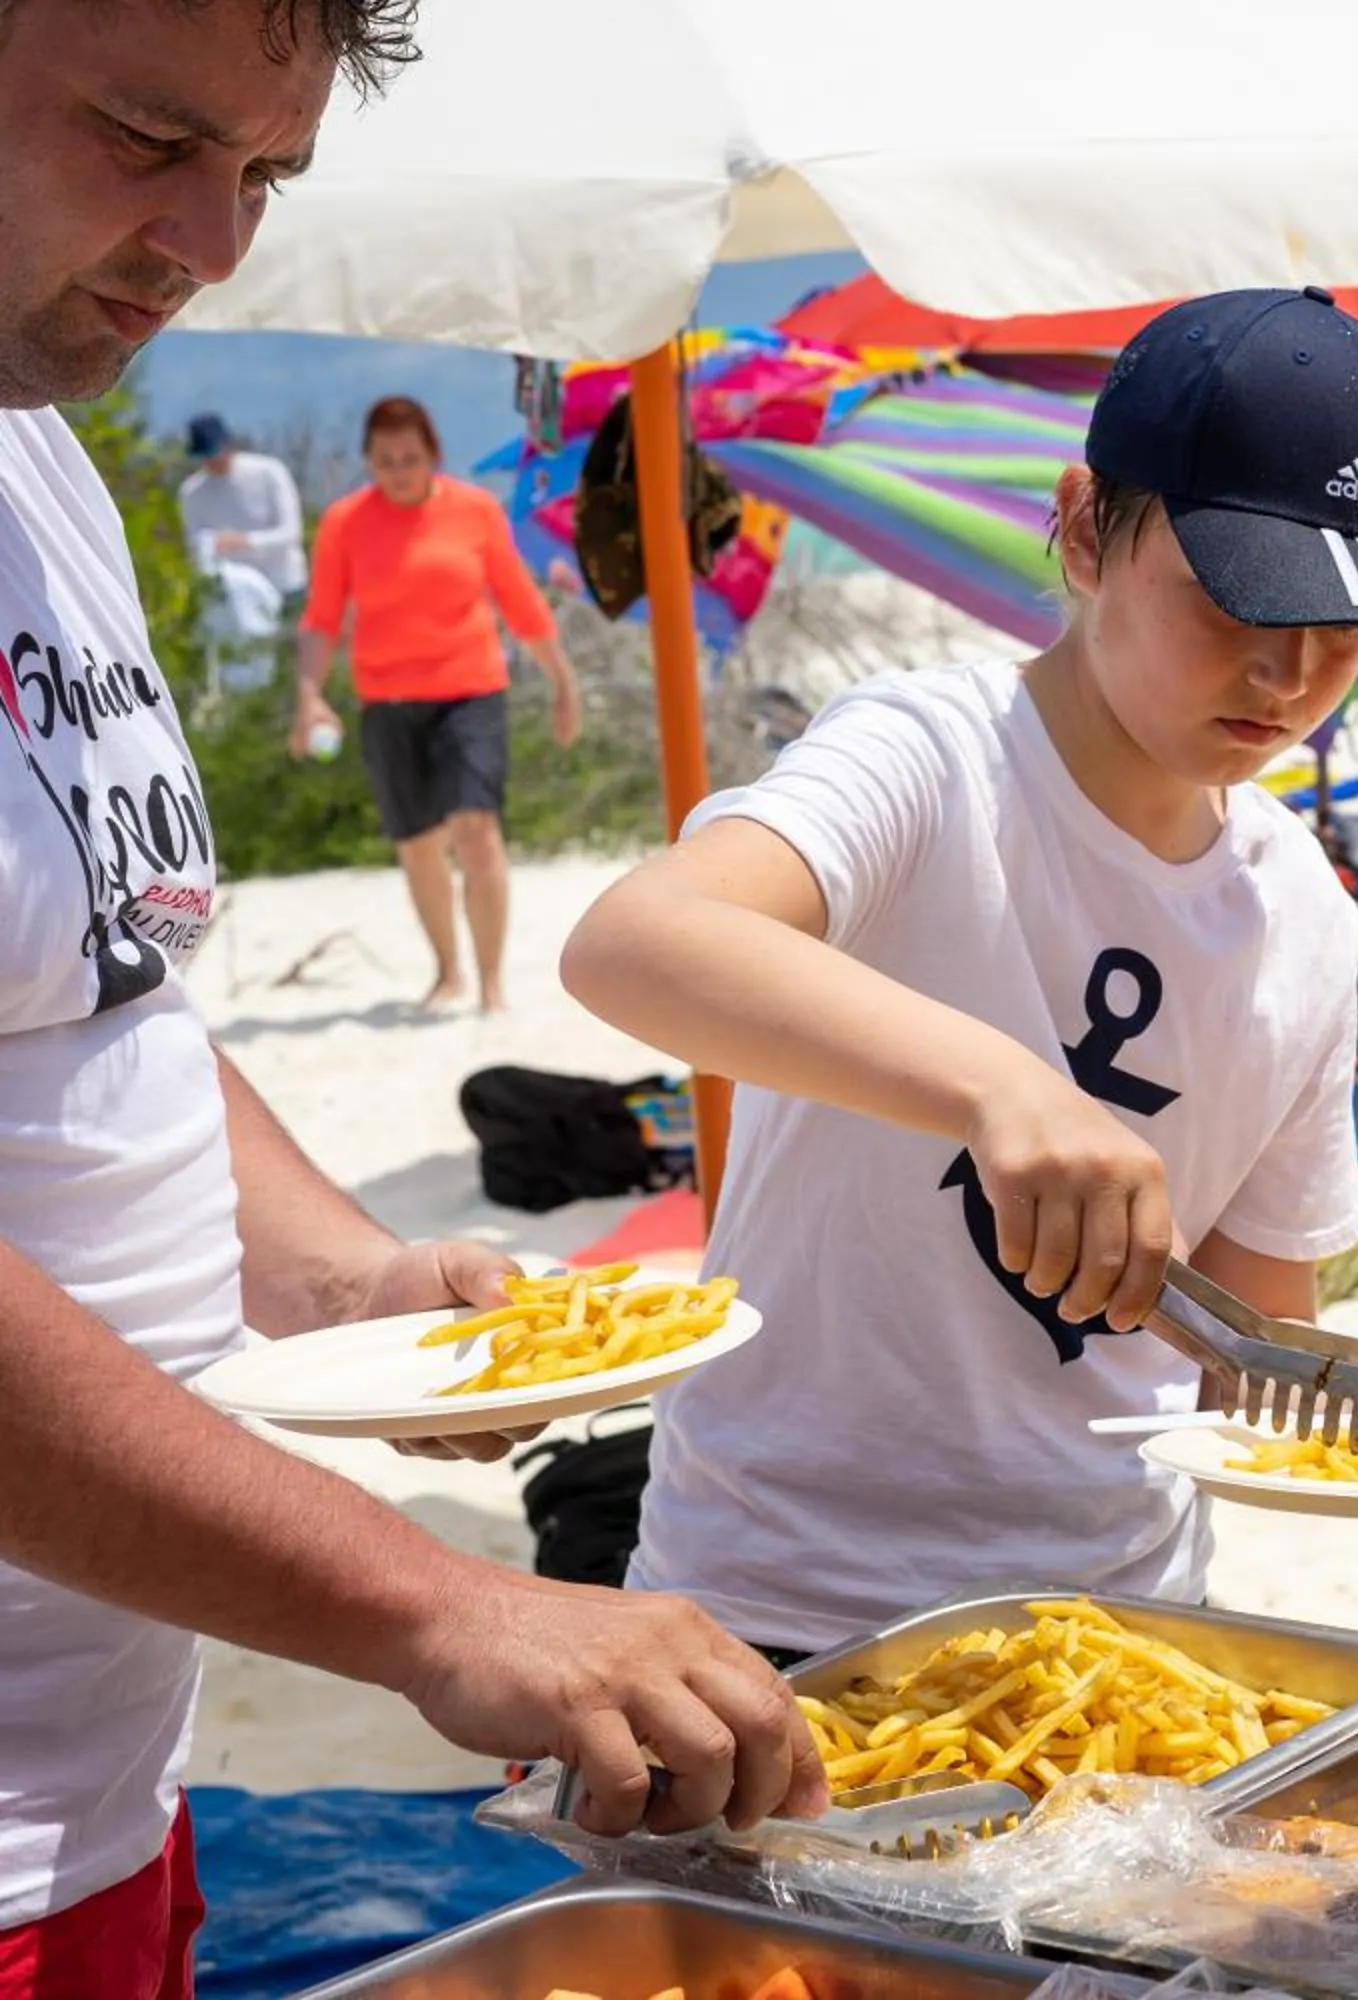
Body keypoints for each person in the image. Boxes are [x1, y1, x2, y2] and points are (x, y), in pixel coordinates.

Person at [0, 0, 822, 1983]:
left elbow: (106, 1011)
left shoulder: (45, 470)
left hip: (104, 1772)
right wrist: (440, 1608)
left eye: (262, 177)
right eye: (145, 136)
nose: (214, 249)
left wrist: (353, 1276)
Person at [563, 289, 1358, 1661]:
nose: (1289, 672)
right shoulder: (929, 756)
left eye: (1345, 629)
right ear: (1080, 528)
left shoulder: (1299, 901)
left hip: (1125, 1621)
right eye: (1235, 597)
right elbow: (636, 944)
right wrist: (1004, 1087)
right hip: (781, 1604)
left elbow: (1248, 1337)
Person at [295, 395, 584, 1012]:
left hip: (469, 692)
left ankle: (492, 986)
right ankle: (448, 971)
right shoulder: (346, 522)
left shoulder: (475, 512)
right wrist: (308, 696)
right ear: (368, 461)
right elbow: (322, 619)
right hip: (387, 700)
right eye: (385, 460)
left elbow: (521, 604)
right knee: (419, 844)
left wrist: (562, 682)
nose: (398, 471)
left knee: (476, 831)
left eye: (410, 458)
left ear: (434, 456)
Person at [174, 412, 306, 604]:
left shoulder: (269, 473)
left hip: (284, 585)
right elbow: (194, 544)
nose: (213, 462)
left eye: (215, 453)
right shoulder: (192, 493)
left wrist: (246, 541)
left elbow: (291, 533)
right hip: (236, 596)